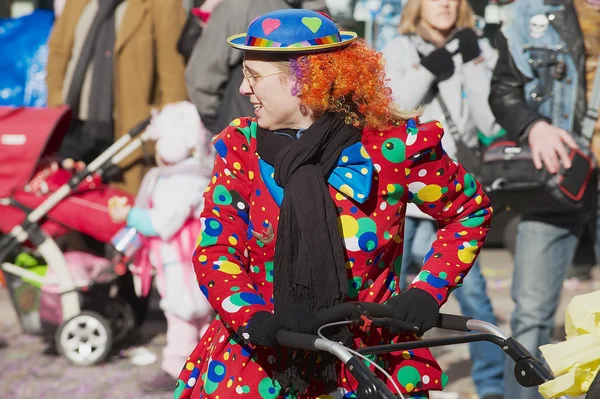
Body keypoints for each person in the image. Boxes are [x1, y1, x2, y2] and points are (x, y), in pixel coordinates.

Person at [175, 8, 493, 399]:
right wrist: (257, 319)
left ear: (307, 81)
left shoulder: (392, 147)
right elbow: (216, 250)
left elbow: (469, 212)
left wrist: (428, 289)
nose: (243, 89)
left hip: (369, 361)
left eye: (254, 77)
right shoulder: (241, 146)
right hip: (262, 360)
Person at [381, 1, 505, 398]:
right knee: (390, 301)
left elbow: (490, 120)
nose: (446, 4)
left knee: (474, 299)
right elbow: (392, 108)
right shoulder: (395, 47)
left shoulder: (478, 46)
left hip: (454, 198)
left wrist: (473, 61)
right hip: (404, 198)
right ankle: (389, 378)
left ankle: (492, 387)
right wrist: (428, 69)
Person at [488, 1, 600, 398]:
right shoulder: (528, 14)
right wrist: (532, 126)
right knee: (531, 315)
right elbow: (502, 92)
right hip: (556, 176)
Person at [108, 101, 215, 392]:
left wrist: (128, 215)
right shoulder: (187, 175)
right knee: (200, 317)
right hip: (183, 261)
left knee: (183, 314)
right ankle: (210, 367)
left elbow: (162, 222)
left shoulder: (183, 180)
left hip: (183, 263)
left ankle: (176, 370)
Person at [46, 0, 188, 195]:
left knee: (119, 208)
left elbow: (173, 75)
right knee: (68, 205)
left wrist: (170, 132)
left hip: (126, 132)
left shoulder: (161, 4)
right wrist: (55, 102)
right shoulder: (78, 3)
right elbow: (58, 52)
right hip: (74, 124)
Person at [184, 0, 327, 135]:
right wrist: (225, 126)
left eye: (254, 75)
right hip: (247, 132)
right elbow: (202, 80)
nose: (244, 88)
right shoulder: (318, 10)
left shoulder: (240, 5)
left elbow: (200, 80)